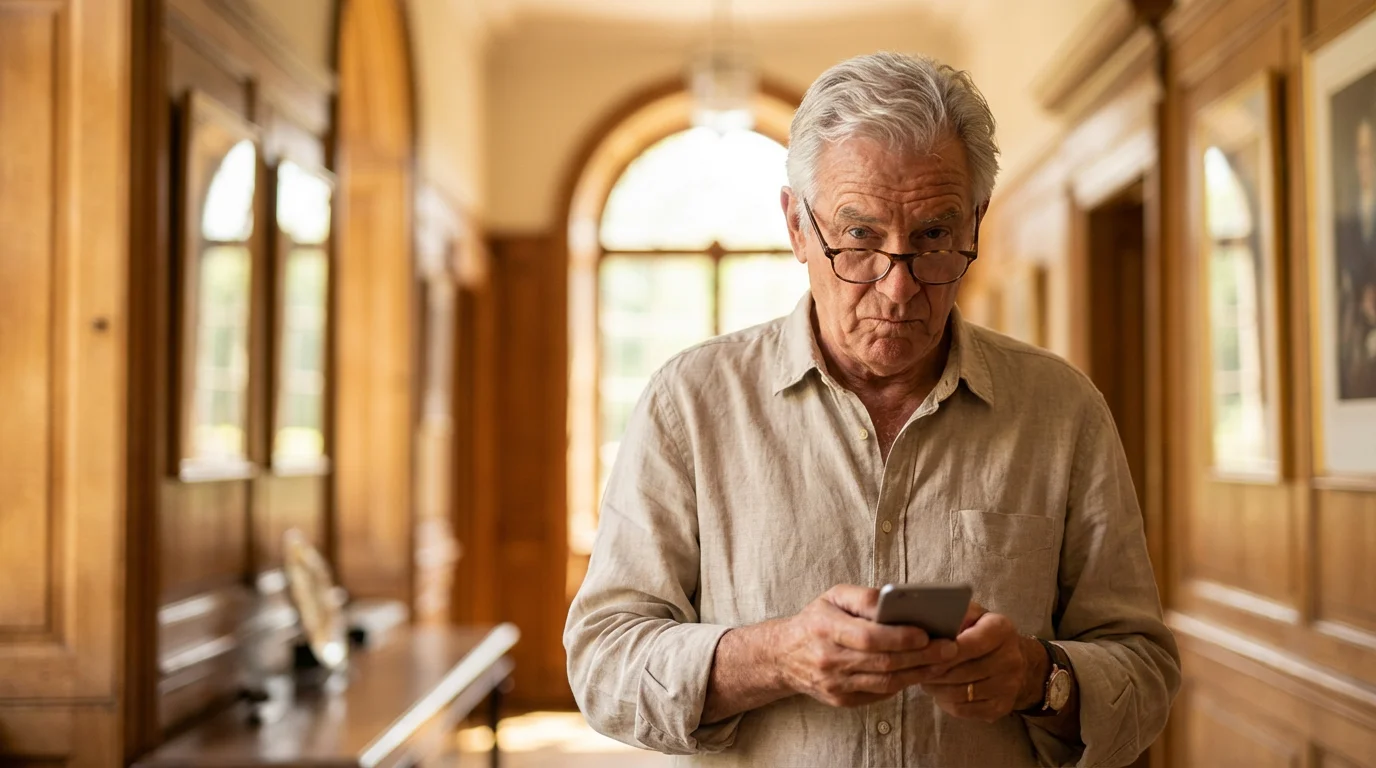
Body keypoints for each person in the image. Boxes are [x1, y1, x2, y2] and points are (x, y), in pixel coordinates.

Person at [565, 52, 1181, 767]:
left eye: (933, 239)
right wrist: (775, 657)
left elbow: (1145, 674)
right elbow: (602, 663)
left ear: (975, 223)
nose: (897, 289)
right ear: (797, 226)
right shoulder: (690, 403)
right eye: (858, 238)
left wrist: (1035, 679)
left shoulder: (1062, 409)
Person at [1336, 115, 1376, 399]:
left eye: (1371, 151)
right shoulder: (1345, 220)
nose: (1367, 161)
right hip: (1359, 350)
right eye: (1362, 152)